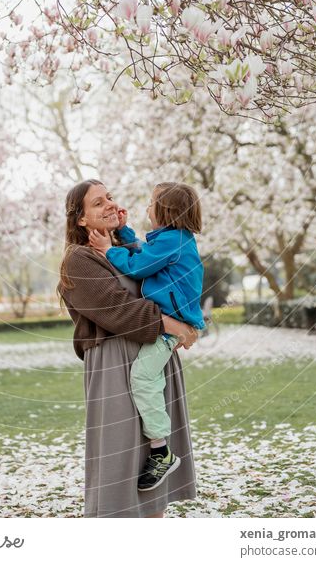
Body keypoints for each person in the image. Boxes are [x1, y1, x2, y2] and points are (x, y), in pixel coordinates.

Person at [57, 179, 198, 518]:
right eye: (97, 203)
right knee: (122, 464)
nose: (108, 205)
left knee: (153, 477)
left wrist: (123, 235)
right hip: (114, 363)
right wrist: (176, 326)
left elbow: (161, 275)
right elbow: (119, 309)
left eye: (110, 198)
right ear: (80, 220)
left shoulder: (124, 247)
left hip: (152, 358)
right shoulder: (78, 260)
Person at [89, 182, 204, 492]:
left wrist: (108, 250)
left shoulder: (172, 241)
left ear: (165, 212)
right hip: (172, 319)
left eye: (151, 204)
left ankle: (161, 449)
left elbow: (140, 265)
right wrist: (125, 234)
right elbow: (146, 251)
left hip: (173, 322)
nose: (146, 209)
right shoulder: (173, 239)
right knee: (147, 378)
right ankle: (159, 445)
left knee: (142, 378)